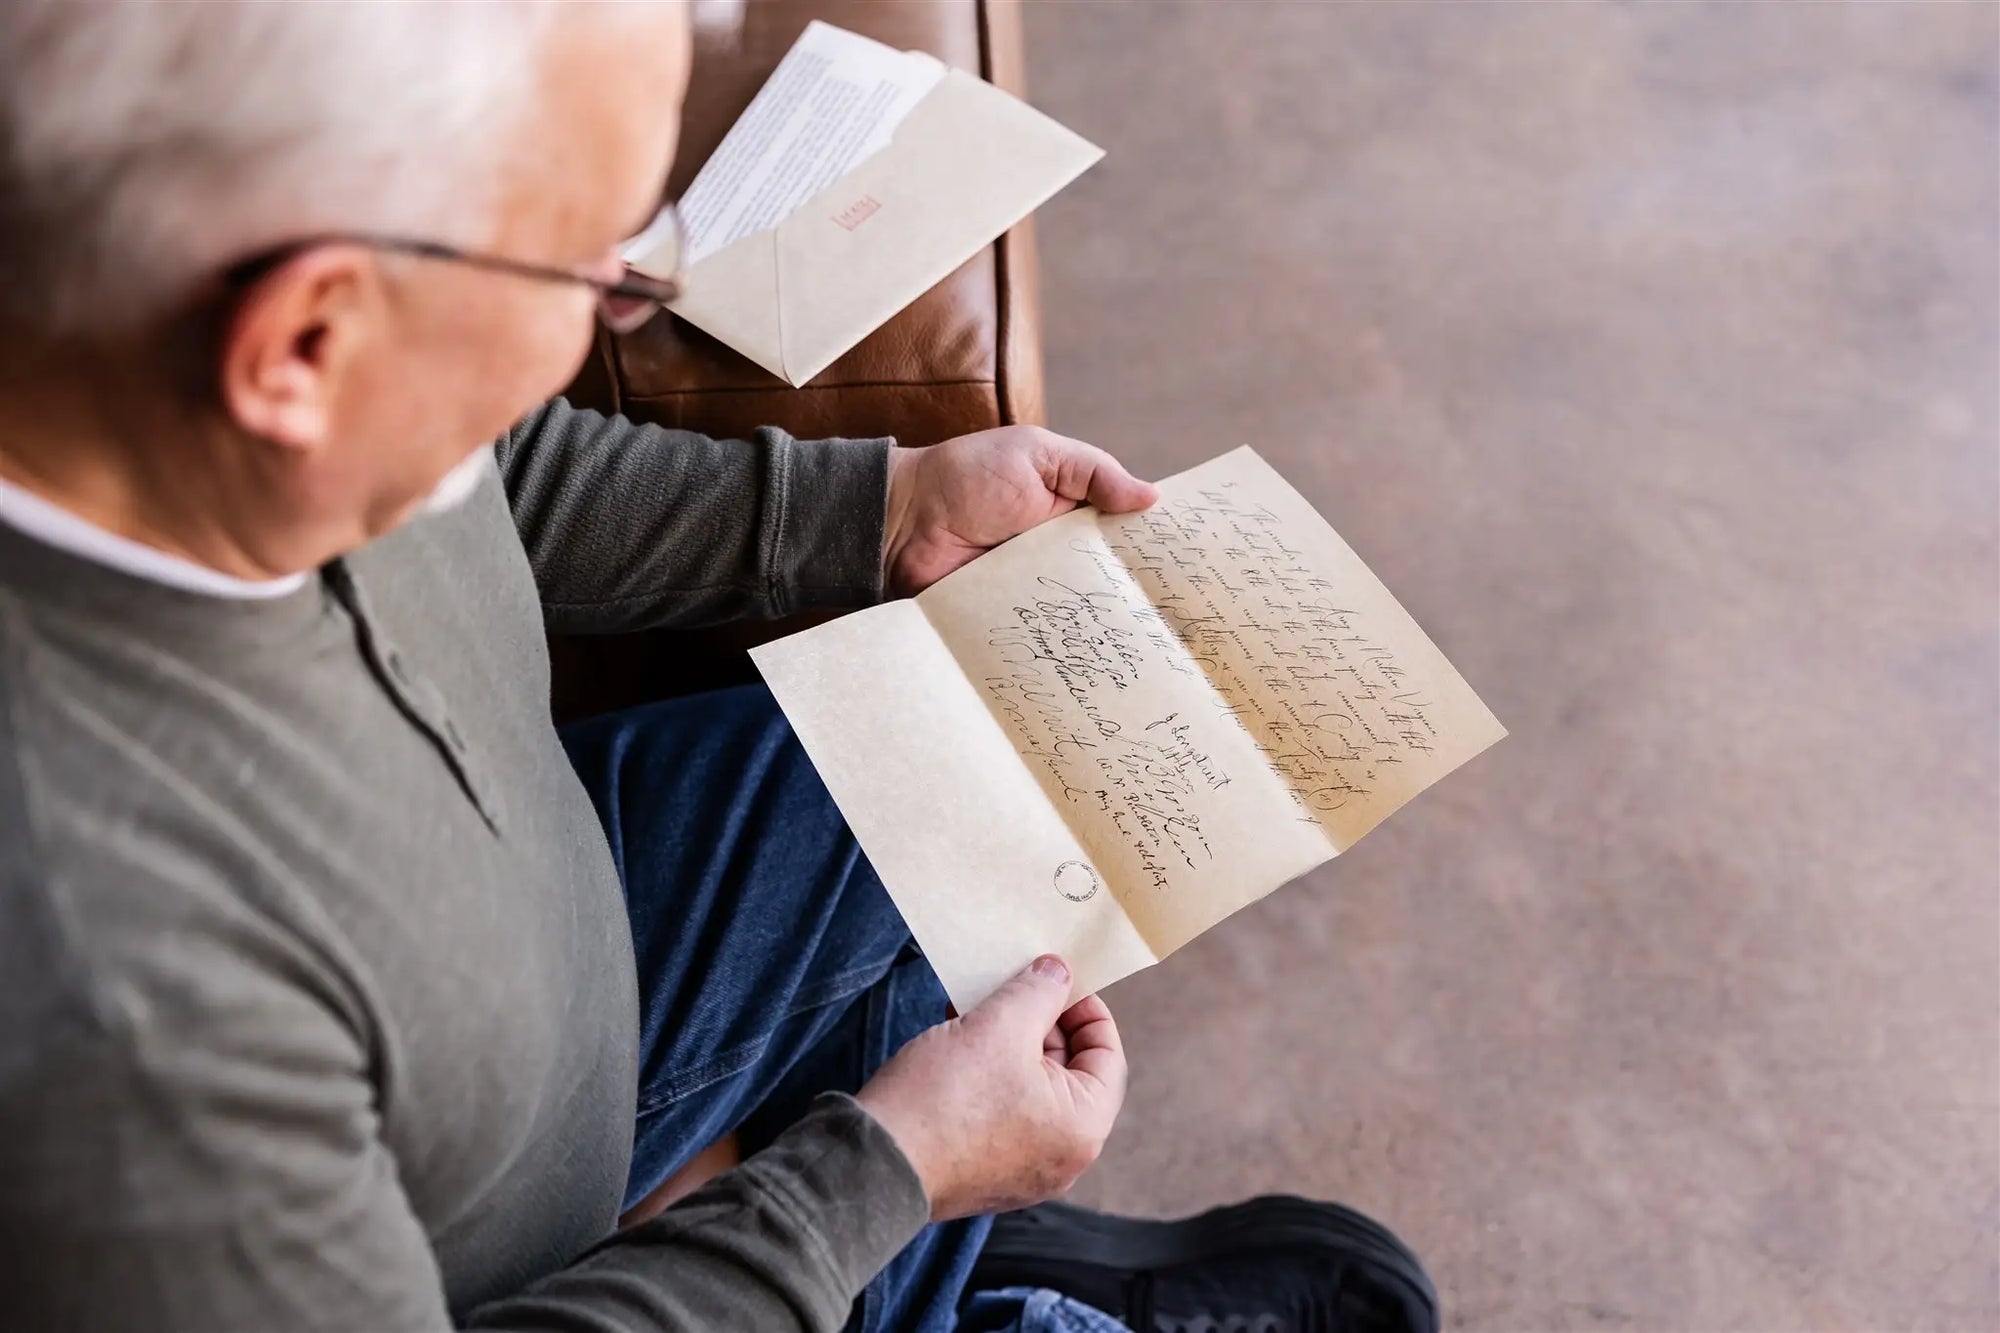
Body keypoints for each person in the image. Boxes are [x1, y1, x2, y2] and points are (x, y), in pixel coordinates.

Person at [0, 3, 1438, 1331]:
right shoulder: (117, 1022)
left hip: (544, 938)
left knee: (1008, 737)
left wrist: (878, 511)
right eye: (605, 269)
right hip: (463, 1245)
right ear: (305, 344)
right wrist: (881, 1174)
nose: (628, 298)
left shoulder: (131, 358)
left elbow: (486, 465)